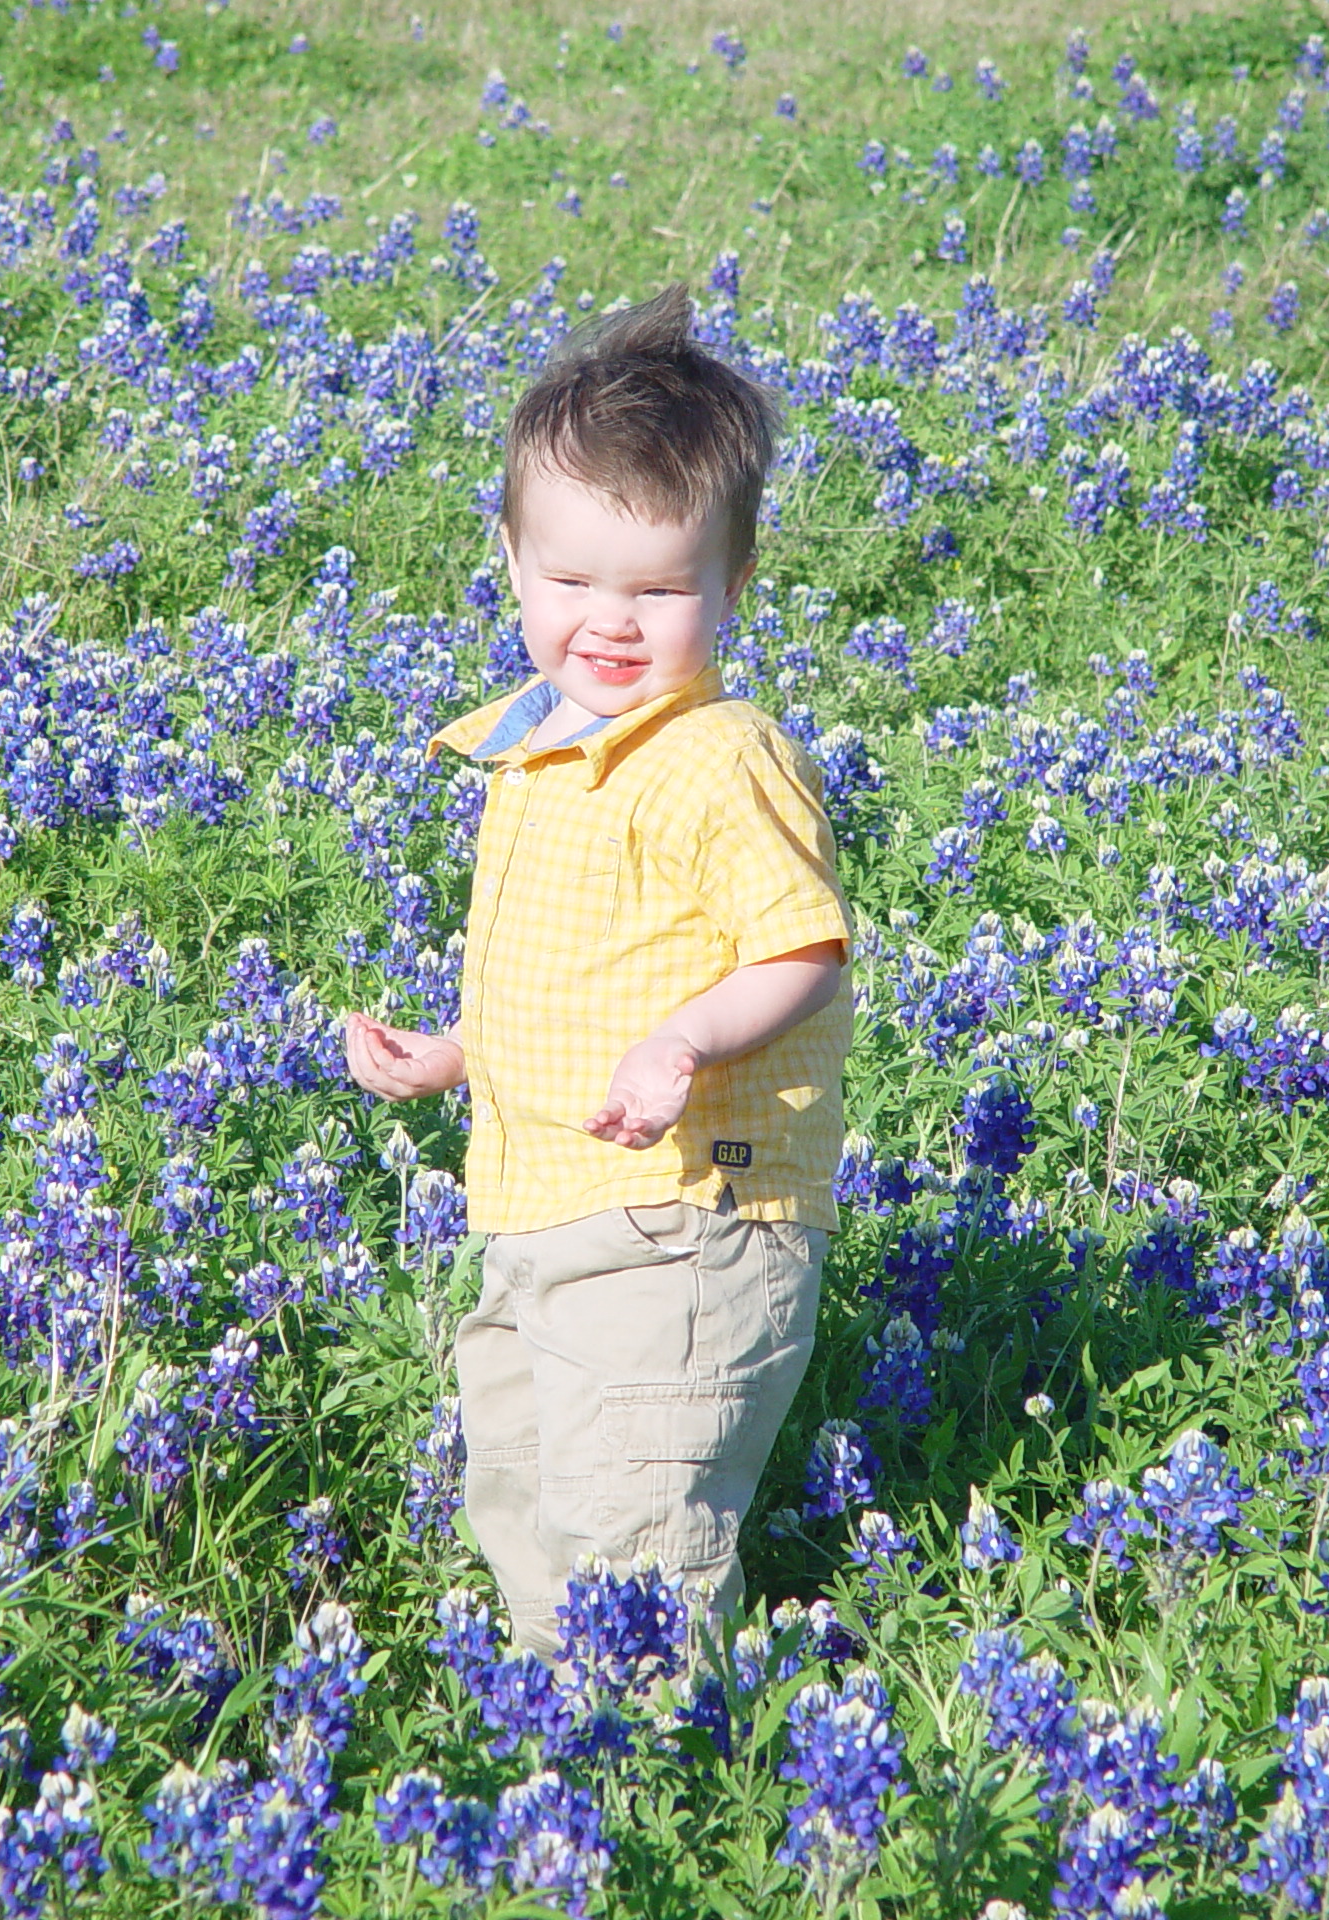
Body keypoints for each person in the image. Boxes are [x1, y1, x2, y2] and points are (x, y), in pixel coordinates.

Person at [344, 283, 853, 1657]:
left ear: (732, 588)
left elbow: (799, 947)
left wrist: (683, 1043)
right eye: (572, 581)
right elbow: (569, 963)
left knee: (636, 1529)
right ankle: (561, 1764)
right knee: (523, 1504)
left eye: (659, 590)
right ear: (510, 560)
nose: (610, 623)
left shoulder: (718, 753)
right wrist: (459, 1053)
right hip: (542, 1214)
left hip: (686, 1220)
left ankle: (664, 1787)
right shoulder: (543, 744)